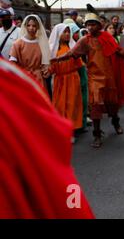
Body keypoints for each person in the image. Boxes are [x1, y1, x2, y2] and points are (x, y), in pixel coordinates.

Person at [0, 58, 94, 218]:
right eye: (63, 31)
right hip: (58, 83)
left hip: (71, 82)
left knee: (72, 108)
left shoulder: (12, 82)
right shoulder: (13, 80)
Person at [51, 13, 124, 148]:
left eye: (93, 24)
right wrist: (57, 59)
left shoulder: (107, 37)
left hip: (108, 76)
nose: (90, 27)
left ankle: (115, 122)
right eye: (88, 24)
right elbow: (72, 53)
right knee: (95, 104)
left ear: (99, 26)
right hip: (94, 77)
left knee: (112, 103)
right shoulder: (85, 40)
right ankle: (96, 134)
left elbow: (118, 50)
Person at [48, 23, 84, 136]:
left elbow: (79, 64)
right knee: (59, 104)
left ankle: (72, 129)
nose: (67, 34)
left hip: (73, 79)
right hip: (59, 80)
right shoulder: (52, 49)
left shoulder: (72, 48)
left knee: (72, 103)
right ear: (58, 34)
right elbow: (50, 67)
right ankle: (61, 128)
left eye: (69, 32)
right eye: (65, 32)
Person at [9, 15, 51, 90]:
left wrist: (46, 70)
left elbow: (46, 62)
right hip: (23, 78)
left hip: (39, 79)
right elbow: (12, 63)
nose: (31, 28)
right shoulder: (18, 43)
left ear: (38, 27)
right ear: (25, 26)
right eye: (28, 25)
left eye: (34, 26)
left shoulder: (41, 43)